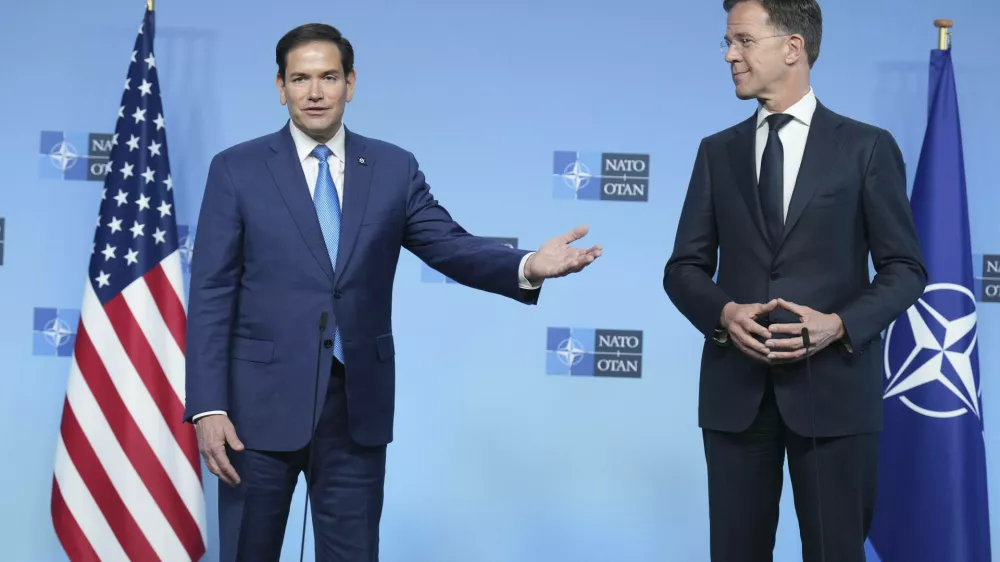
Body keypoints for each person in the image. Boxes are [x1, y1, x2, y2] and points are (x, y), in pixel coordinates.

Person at [183, 23, 601, 562]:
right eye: (301, 78)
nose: (315, 92)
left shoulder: (392, 167)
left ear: (350, 84)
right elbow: (212, 293)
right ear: (280, 87)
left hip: (356, 406)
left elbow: (448, 245)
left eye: (328, 77)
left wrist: (527, 265)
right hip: (255, 413)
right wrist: (208, 405)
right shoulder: (236, 169)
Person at [662, 1, 926, 560]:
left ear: (792, 48)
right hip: (736, 399)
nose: (730, 55)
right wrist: (724, 312)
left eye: (742, 41)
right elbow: (683, 269)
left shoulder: (866, 148)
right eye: (726, 43)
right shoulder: (716, 152)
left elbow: (906, 269)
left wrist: (839, 325)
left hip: (834, 395)